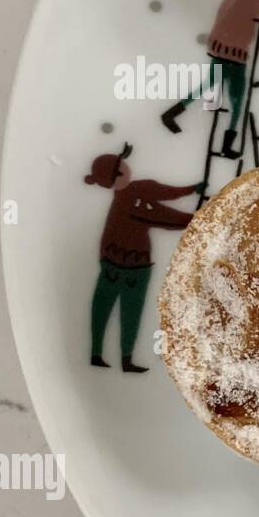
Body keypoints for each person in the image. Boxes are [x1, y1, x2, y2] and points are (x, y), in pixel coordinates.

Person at [85, 144, 201, 372]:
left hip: (135, 266)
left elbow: (163, 192)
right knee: (105, 308)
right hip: (119, 265)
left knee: (131, 312)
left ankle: (125, 358)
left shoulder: (139, 189)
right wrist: (194, 219)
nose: (126, 170)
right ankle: (97, 352)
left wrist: (191, 189)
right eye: (121, 168)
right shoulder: (128, 201)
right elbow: (158, 215)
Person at [161, 0, 259, 158]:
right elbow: (227, 19)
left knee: (237, 99)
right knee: (219, 91)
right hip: (227, 51)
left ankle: (226, 144)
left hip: (236, 54)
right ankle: (171, 114)